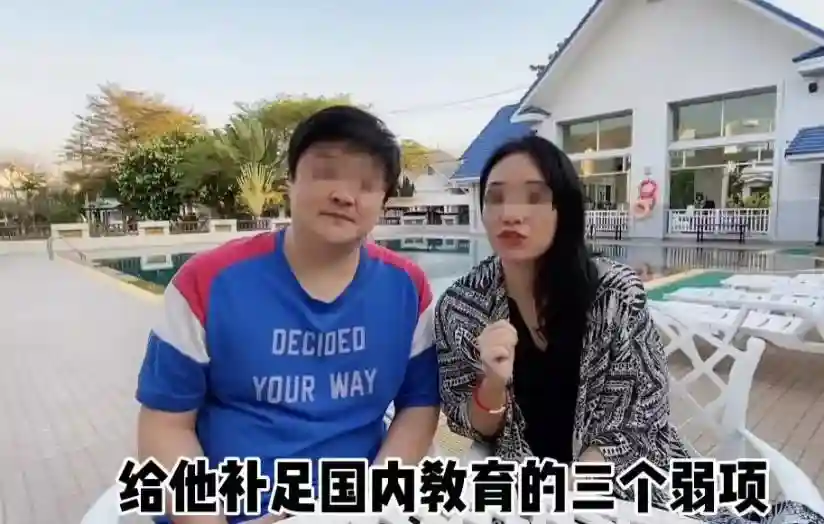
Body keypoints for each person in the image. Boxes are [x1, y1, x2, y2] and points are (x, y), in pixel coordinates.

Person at [434, 135, 823, 524]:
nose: (510, 214)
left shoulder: (614, 294)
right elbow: (463, 429)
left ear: (563, 209)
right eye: (496, 198)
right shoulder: (462, 307)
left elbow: (644, 418)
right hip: (527, 492)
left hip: (633, 485)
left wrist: (576, 488)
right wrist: (493, 383)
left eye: (534, 197)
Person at [136, 106, 441, 524]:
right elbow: (166, 426)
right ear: (290, 183)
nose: (344, 195)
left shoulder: (407, 288)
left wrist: (370, 504)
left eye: (367, 184)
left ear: (383, 203)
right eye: (325, 173)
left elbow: (419, 405)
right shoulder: (206, 283)